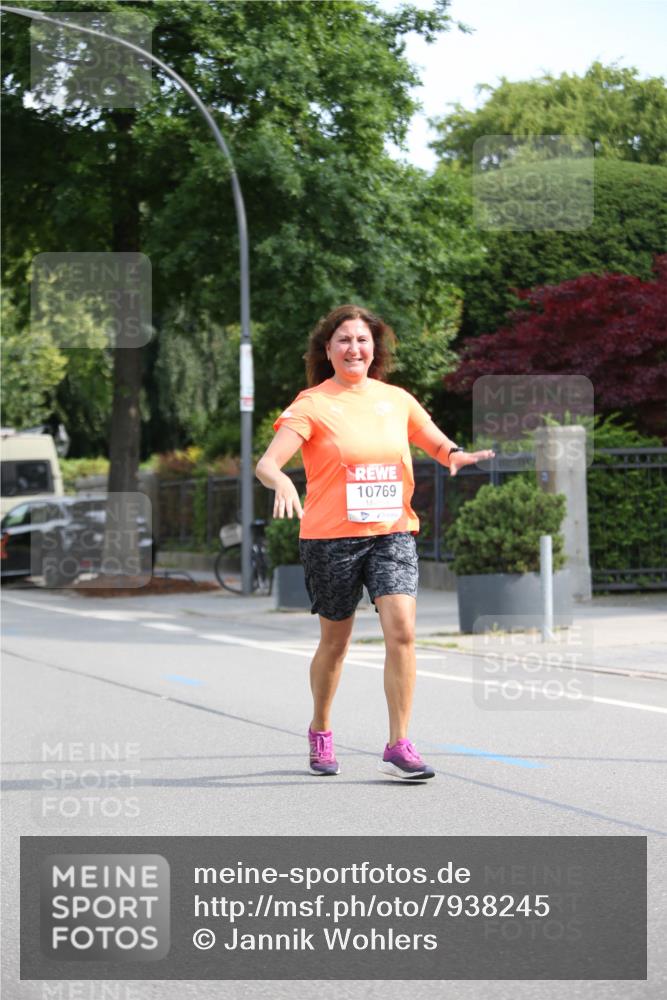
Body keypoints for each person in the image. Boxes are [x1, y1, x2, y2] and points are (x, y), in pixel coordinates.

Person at [255, 305, 494, 781]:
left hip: (392, 532)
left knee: (402, 629)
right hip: (330, 538)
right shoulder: (312, 404)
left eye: (362, 340)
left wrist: (456, 455)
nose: (354, 348)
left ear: (374, 350)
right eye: (343, 339)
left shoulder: (396, 399)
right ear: (328, 350)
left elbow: (434, 441)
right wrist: (280, 482)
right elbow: (267, 463)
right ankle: (321, 729)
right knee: (336, 642)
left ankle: (398, 743)